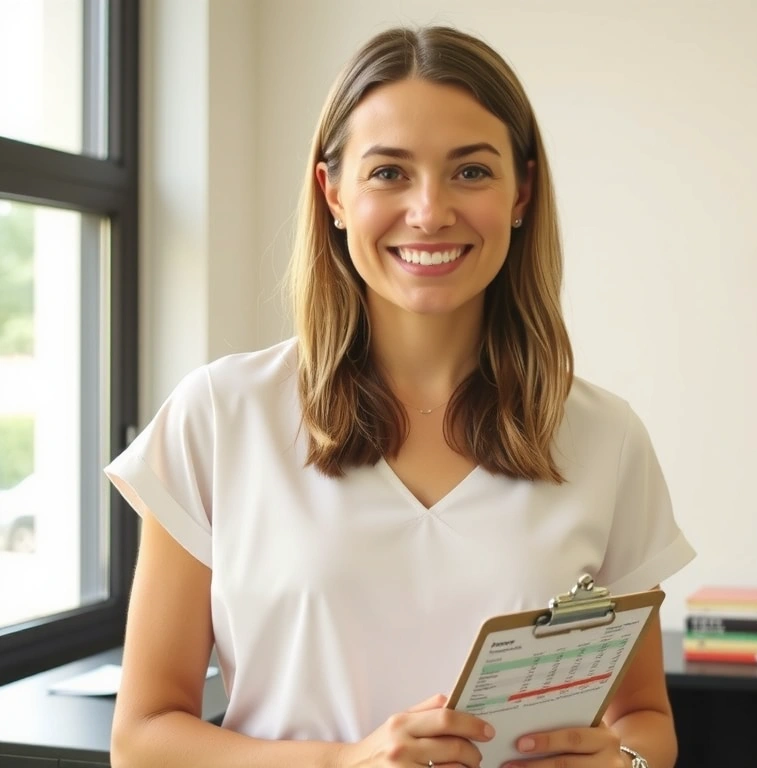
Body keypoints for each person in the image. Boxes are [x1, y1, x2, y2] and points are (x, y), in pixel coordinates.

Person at [105, 24, 696, 768]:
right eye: (389, 172)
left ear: (522, 193)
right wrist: (344, 762)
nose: (430, 211)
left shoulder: (605, 437)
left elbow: (643, 718)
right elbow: (142, 740)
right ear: (334, 194)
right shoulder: (219, 415)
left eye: (471, 172)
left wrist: (621, 764)